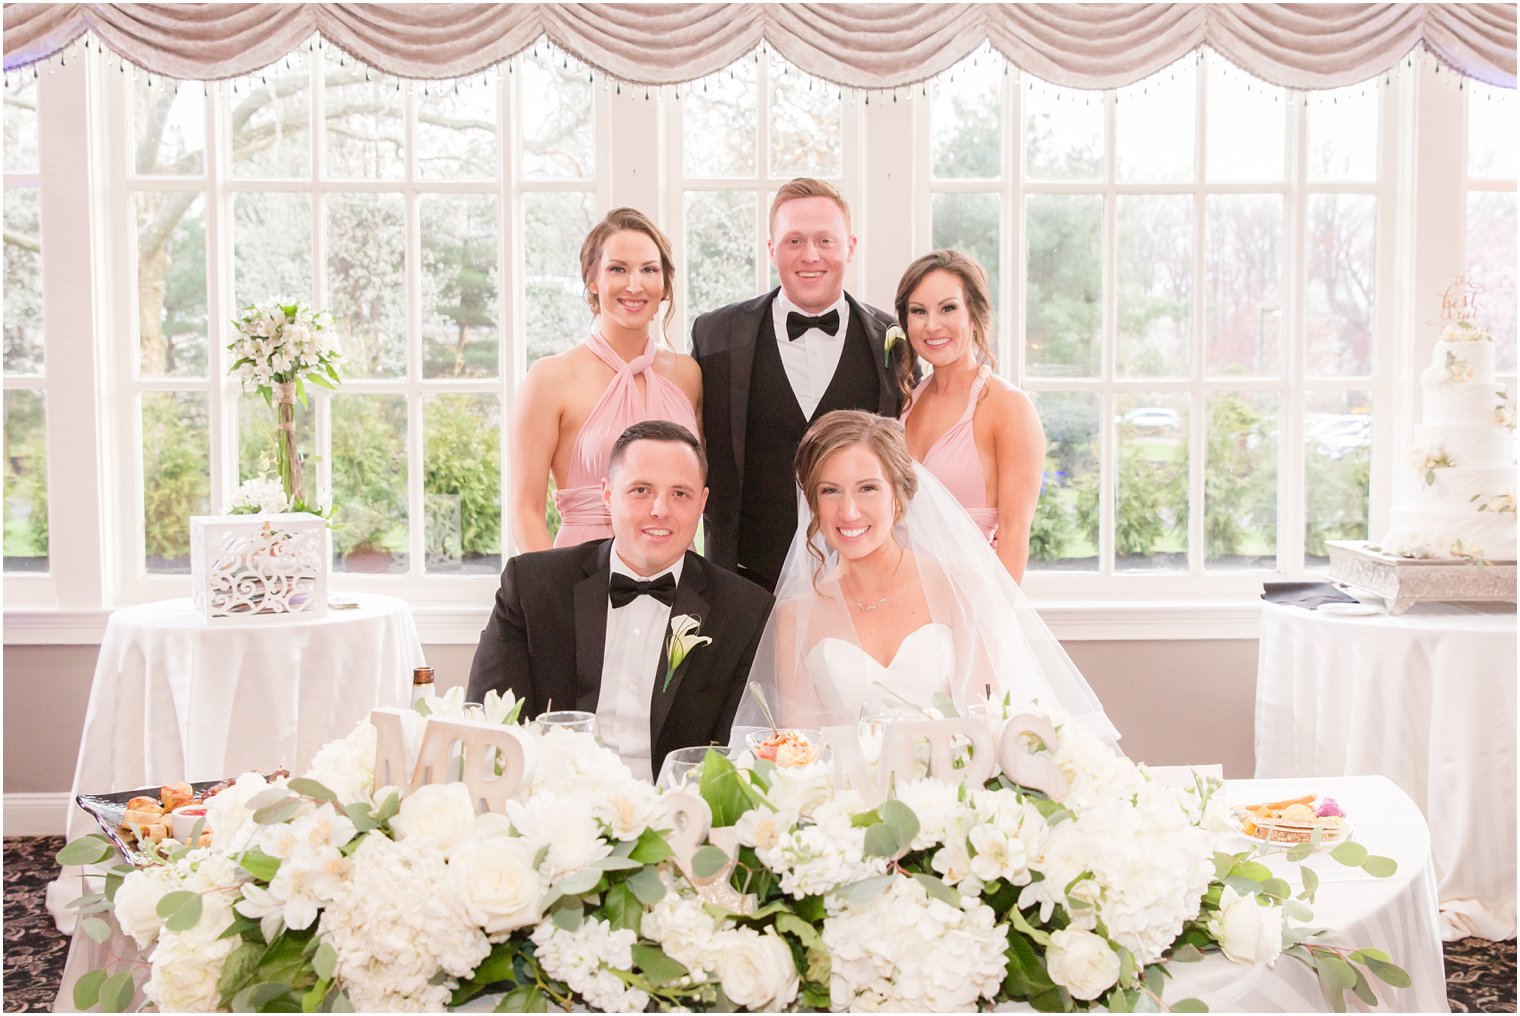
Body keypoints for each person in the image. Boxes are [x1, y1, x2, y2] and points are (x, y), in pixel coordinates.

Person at [737, 410, 1118, 745]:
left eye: (868, 488)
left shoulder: (960, 588)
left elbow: (990, 723)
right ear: (813, 502)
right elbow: (802, 752)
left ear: (899, 496)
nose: (848, 511)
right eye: (830, 491)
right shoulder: (795, 614)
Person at [469, 421, 774, 781]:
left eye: (680, 494)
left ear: (702, 503)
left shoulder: (744, 610)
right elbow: (489, 719)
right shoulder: (533, 585)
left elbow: (737, 754)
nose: (660, 509)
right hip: (553, 802)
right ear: (608, 494)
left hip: (678, 810)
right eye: (641, 490)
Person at [691, 178, 905, 593]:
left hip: (862, 581)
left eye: (826, 240)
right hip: (745, 584)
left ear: (850, 246)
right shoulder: (715, 335)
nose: (810, 256)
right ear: (771, 249)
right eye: (793, 241)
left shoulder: (894, 340)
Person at [510, 208, 701, 551]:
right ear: (592, 281)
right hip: (578, 573)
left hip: (676, 570)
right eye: (618, 269)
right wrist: (550, 596)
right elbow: (525, 510)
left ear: (665, 284)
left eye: (648, 270)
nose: (634, 284)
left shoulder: (688, 374)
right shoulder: (551, 378)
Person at [896, 250, 1045, 582]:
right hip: (899, 601)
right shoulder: (906, 401)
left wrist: (987, 627)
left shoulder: (1007, 407)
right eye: (918, 311)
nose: (932, 325)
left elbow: (1015, 536)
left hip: (968, 600)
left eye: (948, 308)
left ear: (974, 315)